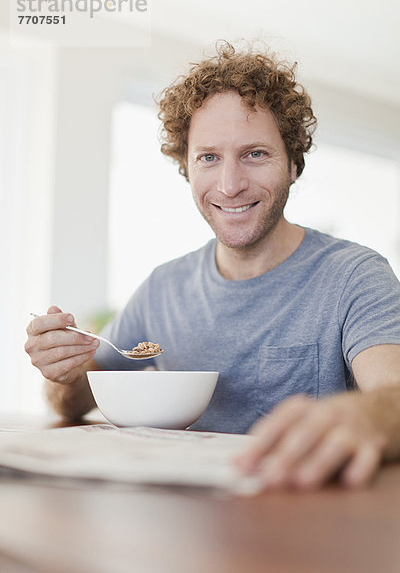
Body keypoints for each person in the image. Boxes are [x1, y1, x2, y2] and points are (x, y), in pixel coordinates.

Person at [25, 41, 400, 492]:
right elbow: (76, 398)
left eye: (255, 154)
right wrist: (64, 372)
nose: (230, 184)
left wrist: (365, 415)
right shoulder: (164, 288)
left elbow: (393, 396)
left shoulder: (354, 276)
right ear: (187, 168)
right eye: (208, 157)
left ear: (294, 163)